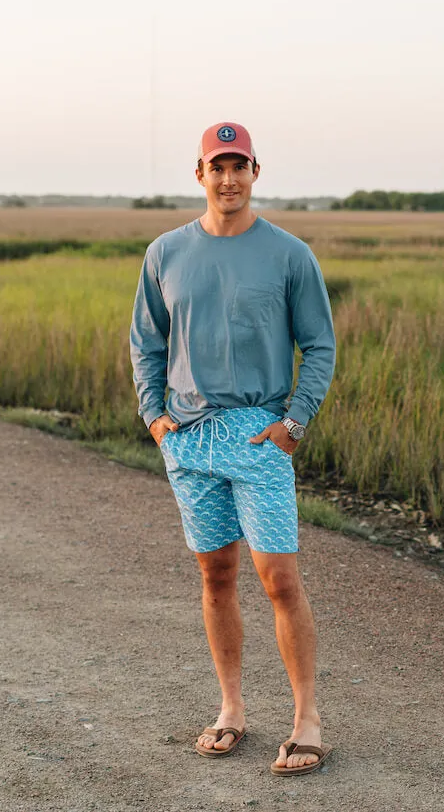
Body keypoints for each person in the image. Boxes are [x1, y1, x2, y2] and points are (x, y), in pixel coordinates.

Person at [129, 122, 337, 776]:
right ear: (199, 174)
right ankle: (231, 709)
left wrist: (293, 423)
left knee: (278, 580)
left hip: (257, 436)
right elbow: (146, 341)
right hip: (189, 440)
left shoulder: (287, 254)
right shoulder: (165, 252)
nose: (228, 178)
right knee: (215, 576)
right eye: (216, 167)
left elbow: (320, 344)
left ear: (254, 172)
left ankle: (306, 719)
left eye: (238, 166)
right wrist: (155, 418)